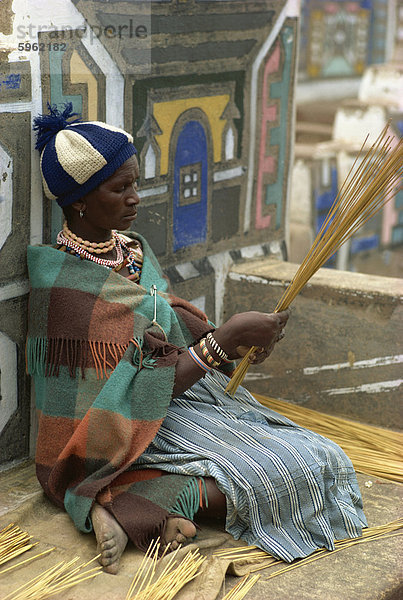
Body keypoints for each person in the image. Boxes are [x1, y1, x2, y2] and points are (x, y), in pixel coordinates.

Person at [27, 104, 366, 575]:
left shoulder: (133, 250)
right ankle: (133, 506)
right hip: (113, 426)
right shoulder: (63, 284)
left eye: (135, 184)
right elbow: (123, 395)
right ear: (80, 200)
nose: (135, 198)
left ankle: (140, 510)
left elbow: (170, 333)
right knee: (261, 476)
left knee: (321, 458)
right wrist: (221, 342)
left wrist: (237, 345)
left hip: (174, 401)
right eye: (119, 188)